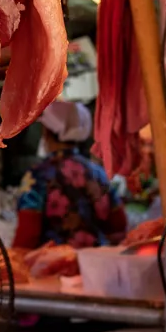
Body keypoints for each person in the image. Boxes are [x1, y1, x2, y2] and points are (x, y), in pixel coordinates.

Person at [13, 100, 128, 249]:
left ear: (46, 132)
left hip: (53, 266)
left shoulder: (37, 177)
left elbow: (27, 236)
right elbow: (119, 225)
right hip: (98, 265)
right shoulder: (99, 174)